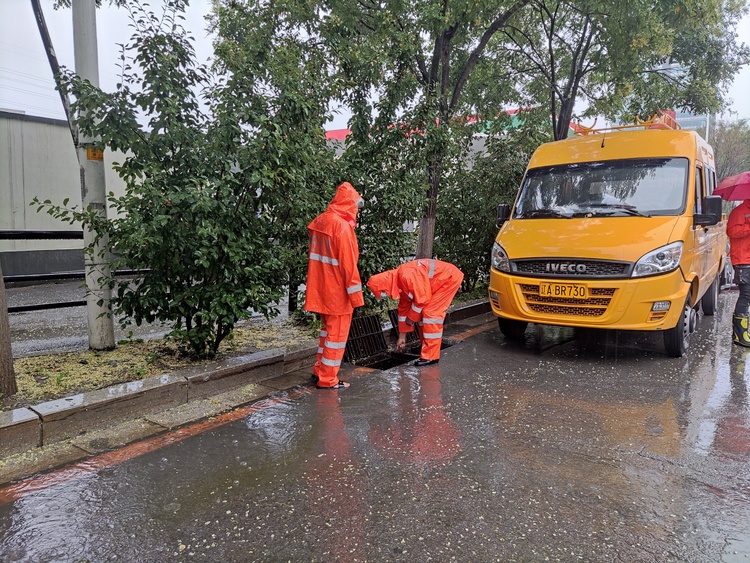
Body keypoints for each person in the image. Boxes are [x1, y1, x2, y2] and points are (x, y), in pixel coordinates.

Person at [304, 182, 365, 389]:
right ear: (350, 203)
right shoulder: (342, 227)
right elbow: (349, 266)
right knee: (336, 337)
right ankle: (328, 380)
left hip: (319, 289)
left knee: (326, 334)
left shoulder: (320, 221)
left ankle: (319, 371)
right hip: (337, 293)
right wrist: (356, 298)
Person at [366, 259, 464, 366]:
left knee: (431, 314)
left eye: (384, 293)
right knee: (423, 315)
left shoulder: (406, 275)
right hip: (441, 280)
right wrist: (402, 337)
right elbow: (403, 311)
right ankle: (426, 349)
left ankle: (431, 356)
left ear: (385, 286)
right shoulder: (400, 282)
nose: (387, 295)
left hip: (448, 279)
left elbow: (422, 299)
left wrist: (412, 317)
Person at [727, 199, 750, 346]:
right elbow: (731, 231)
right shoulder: (739, 211)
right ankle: (740, 335)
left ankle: (741, 332)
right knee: (746, 295)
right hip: (742, 259)